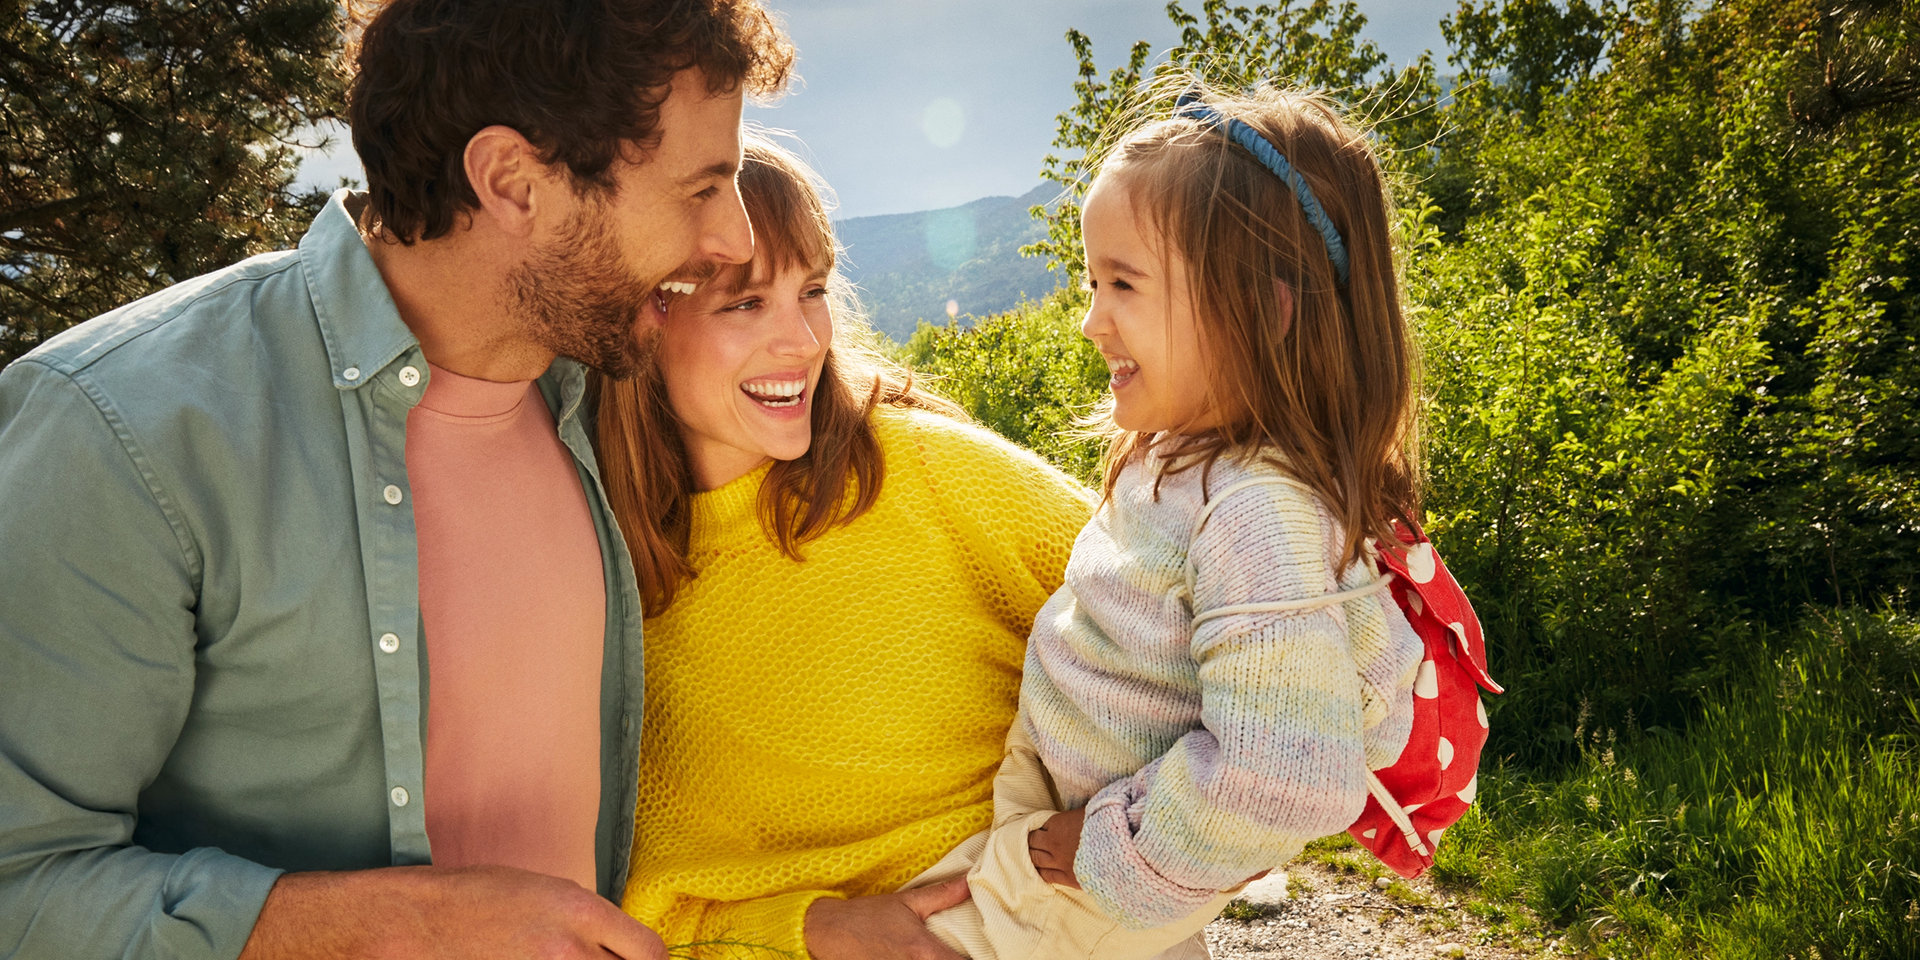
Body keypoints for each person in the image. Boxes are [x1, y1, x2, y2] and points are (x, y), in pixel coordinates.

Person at [0, 1, 792, 958]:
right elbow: (20, 884)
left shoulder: (612, 389)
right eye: (702, 188)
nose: (735, 238)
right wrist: (394, 928)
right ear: (513, 182)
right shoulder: (121, 428)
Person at [910, 80, 1429, 960]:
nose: (1090, 320)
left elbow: (1289, 776)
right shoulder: (1192, 459)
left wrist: (1105, 851)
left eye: (1123, 283)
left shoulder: (1254, 512)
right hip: (1089, 850)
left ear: (1262, 310)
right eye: (1092, 281)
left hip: (1092, 876)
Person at [591, 133, 1095, 960]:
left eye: (813, 291)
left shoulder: (922, 470)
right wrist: (809, 926)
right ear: (644, 321)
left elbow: (1182, 601)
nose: (801, 340)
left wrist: (1148, 829)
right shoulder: (611, 587)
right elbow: (647, 912)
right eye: (745, 304)